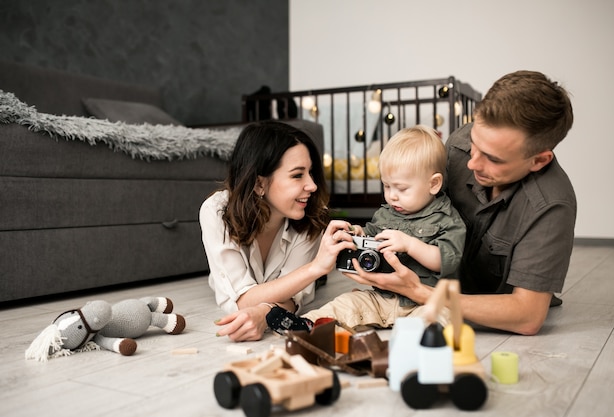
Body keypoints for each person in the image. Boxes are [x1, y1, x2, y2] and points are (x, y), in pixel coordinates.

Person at [343, 70, 576, 336]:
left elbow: (527, 316)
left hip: (460, 305)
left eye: (494, 159)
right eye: (474, 144)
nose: (472, 163)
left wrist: (418, 292)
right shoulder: (458, 145)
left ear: (538, 160)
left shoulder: (550, 207)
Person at [266, 125, 466, 333]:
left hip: (424, 302)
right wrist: (359, 234)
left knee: (439, 316)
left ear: (433, 184)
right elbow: (372, 235)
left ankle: (411, 340)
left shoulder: (447, 219)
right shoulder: (387, 213)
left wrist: (409, 244)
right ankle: (308, 325)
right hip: (382, 298)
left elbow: (446, 261)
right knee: (349, 302)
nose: (392, 196)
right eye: (386, 186)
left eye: (402, 188)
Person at [200, 120, 355, 342]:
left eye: (310, 173)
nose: (312, 186)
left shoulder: (310, 215)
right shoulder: (216, 211)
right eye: (297, 175)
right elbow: (243, 301)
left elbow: (293, 297)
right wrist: (316, 268)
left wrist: (265, 314)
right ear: (259, 184)